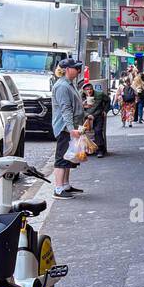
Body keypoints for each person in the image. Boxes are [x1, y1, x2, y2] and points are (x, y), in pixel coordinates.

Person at [51, 58, 90, 198]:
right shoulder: (62, 86)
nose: (78, 70)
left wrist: (84, 112)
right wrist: (70, 128)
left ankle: (65, 185)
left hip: (70, 126)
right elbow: (65, 109)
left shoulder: (69, 84)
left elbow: (73, 106)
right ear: (67, 70)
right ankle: (59, 189)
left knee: (69, 157)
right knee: (62, 158)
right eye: (75, 68)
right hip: (65, 127)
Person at [82, 82, 109, 157]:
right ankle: (86, 149)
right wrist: (87, 114)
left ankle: (100, 149)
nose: (89, 91)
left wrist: (105, 110)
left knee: (98, 130)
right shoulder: (81, 96)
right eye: (87, 90)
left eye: (90, 89)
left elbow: (108, 100)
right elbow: (79, 108)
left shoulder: (99, 94)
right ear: (84, 91)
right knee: (82, 132)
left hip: (98, 115)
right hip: (86, 117)